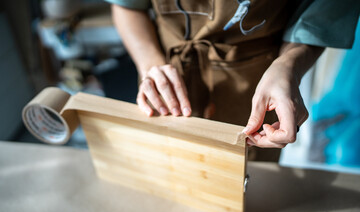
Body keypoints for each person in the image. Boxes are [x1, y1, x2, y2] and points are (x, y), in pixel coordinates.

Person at [106, 0, 359, 161]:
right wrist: (150, 63)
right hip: (165, 77)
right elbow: (127, 6)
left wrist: (289, 64)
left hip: (258, 84)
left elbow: (321, 13)